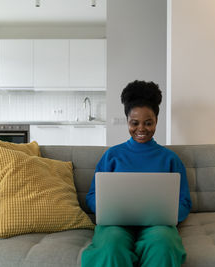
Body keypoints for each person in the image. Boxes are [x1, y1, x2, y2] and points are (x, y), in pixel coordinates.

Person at [82, 80, 192, 267]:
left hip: (157, 226)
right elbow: (92, 196)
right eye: (135, 123)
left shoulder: (170, 159)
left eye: (148, 123)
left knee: (164, 245)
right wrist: (105, 208)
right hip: (116, 224)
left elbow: (184, 202)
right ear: (127, 122)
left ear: (156, 121)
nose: (141, 129)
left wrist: (168, 215)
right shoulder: (112, 156)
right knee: (111, 247)